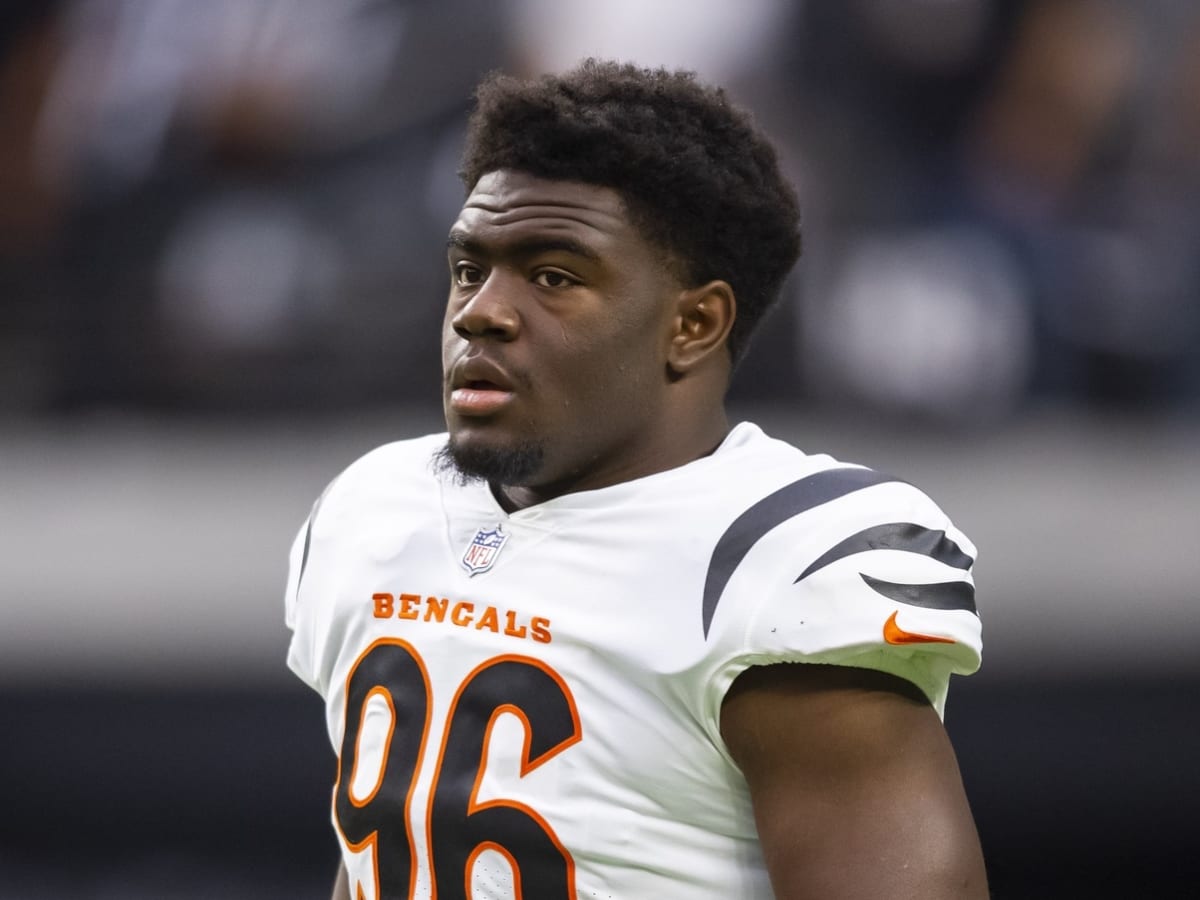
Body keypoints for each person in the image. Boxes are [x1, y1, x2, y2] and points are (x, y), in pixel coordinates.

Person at [284, 59, 987, 900]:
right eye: (471, 268)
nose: (482, 310)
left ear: (694, 323)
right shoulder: (376, 508)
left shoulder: (773, 558)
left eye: (553, 276)